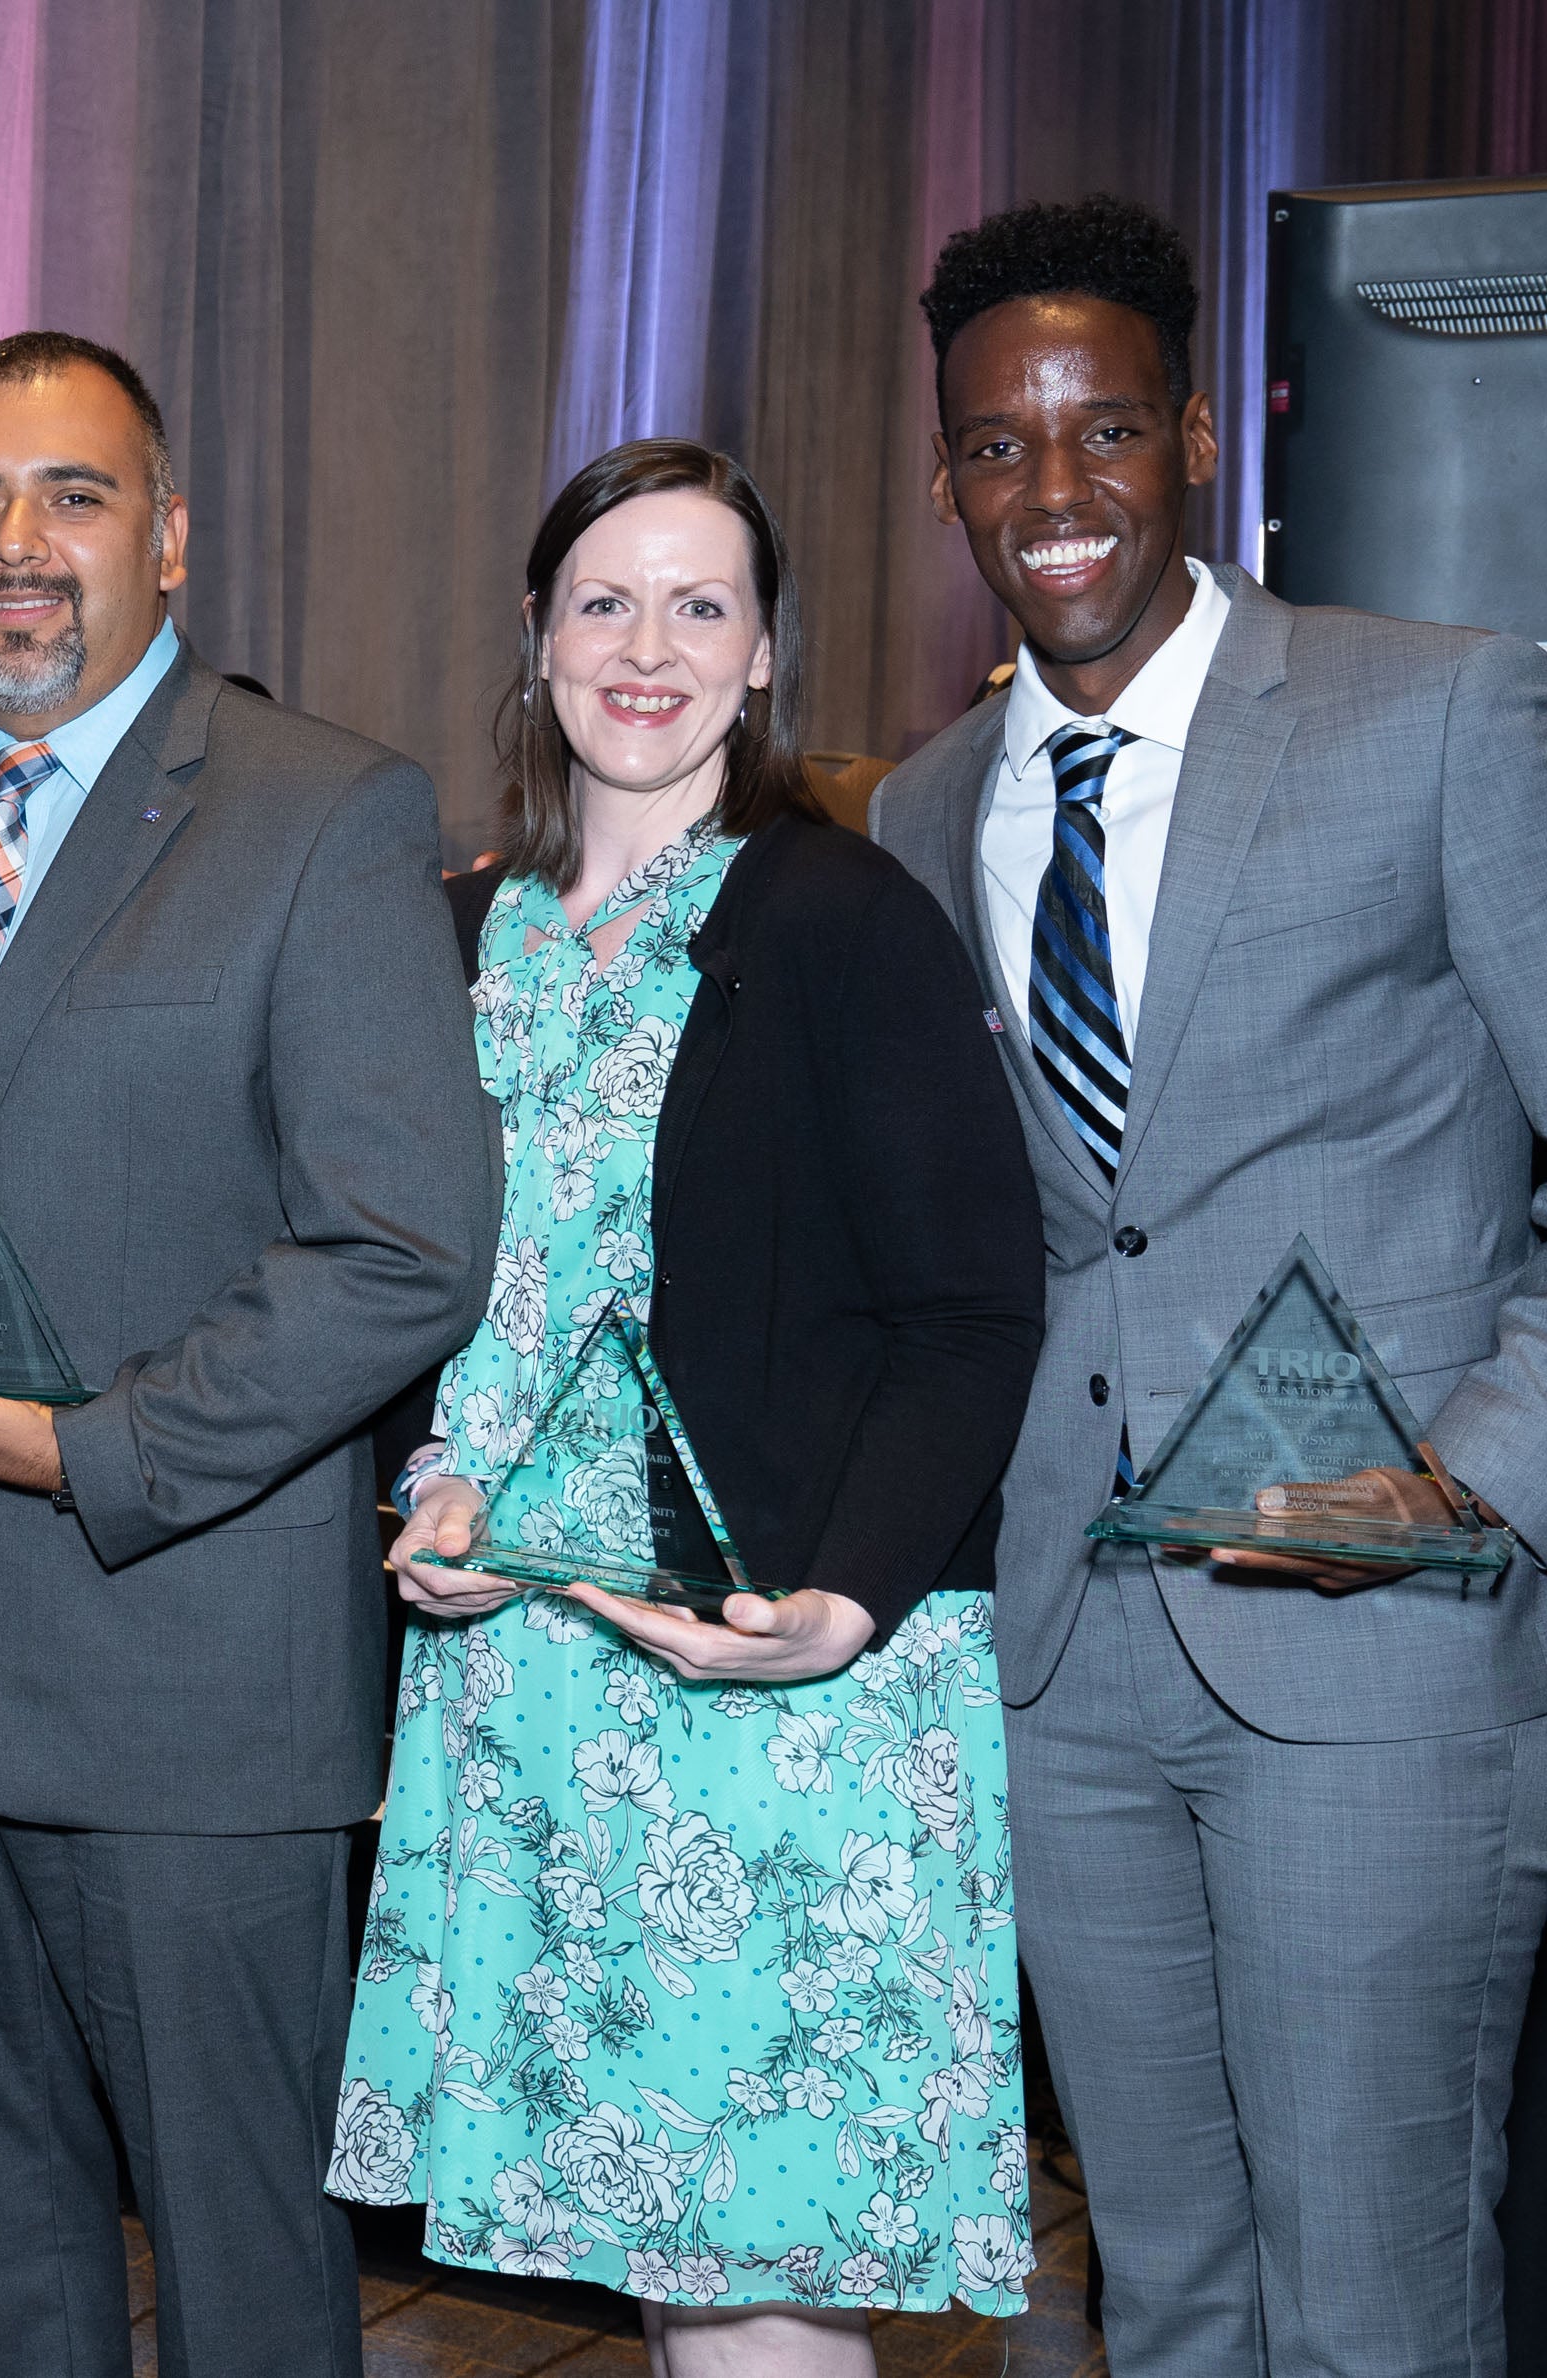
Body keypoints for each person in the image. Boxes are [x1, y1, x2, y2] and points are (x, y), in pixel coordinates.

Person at [865, 195, 1547, 2378]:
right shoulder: (923, 809)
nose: (1054, 491)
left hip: (1380, 1649)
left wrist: (1477, 1478)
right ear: (944, 486)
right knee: (1162, 2286)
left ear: (1192, 436)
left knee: (1367, 2296)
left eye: (1102, 429)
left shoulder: (1438, 712)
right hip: (1065, 1654)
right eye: (997, 447)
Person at [0, 330, 495, 2378]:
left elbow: (401, 1248)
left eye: (69, 496)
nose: (16, 548)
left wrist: (92, 1452)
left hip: (181, 1657)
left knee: (242, 2269)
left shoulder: (323, 809)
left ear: (166, 534)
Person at [330, 439, 1045, 2372]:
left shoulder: (838, 916)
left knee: (755, 2305)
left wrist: (848, 1598)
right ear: (537, 635)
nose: (648, 647)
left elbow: (974, 1309)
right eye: (606, 601)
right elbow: (425, 1299)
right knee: (661, 2275)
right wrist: (429, 1500)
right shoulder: (454, 928)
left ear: (762, 656)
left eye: (700, 605)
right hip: (529, 1690)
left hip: (772, 1698)